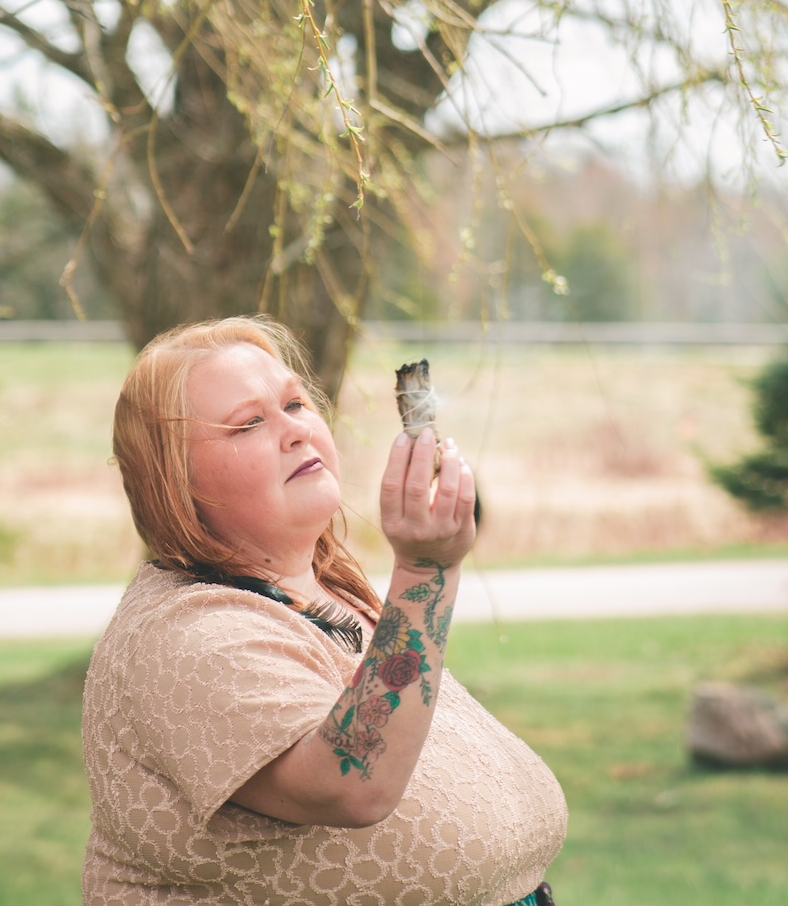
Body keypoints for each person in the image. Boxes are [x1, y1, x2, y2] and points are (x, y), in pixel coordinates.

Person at [81, 317, 566, 905]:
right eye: (248, 424)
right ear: (174, 481)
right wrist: (424, 573)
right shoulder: (187, 636)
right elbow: (350, 782)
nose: (294, 432)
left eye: (295, 403)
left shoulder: (324, 591)